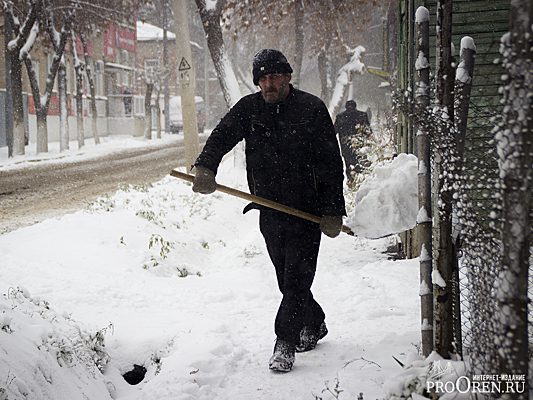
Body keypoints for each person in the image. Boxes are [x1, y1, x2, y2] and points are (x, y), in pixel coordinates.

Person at [191, 49, 346, 372]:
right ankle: (314, 322)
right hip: (269, 209)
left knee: (295, 279)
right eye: (263, 79)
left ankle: (285, 343)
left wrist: (333, 209)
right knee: (285, 279)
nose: (269, 84)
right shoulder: (249, 109)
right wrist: (206, 168)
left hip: (307, 212)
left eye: (275, 77)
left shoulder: (311, 109)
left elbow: (331, 163)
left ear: (288, 77)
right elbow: (222, 136)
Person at [334, 100, 372, 183]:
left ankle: (351, 180)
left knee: (349, 164)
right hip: (360, 146)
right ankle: (361, 180)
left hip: (346, 147)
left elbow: (334, 132)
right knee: (360, 161)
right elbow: (368, 131)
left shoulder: (340, 117)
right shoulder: (362, 115)